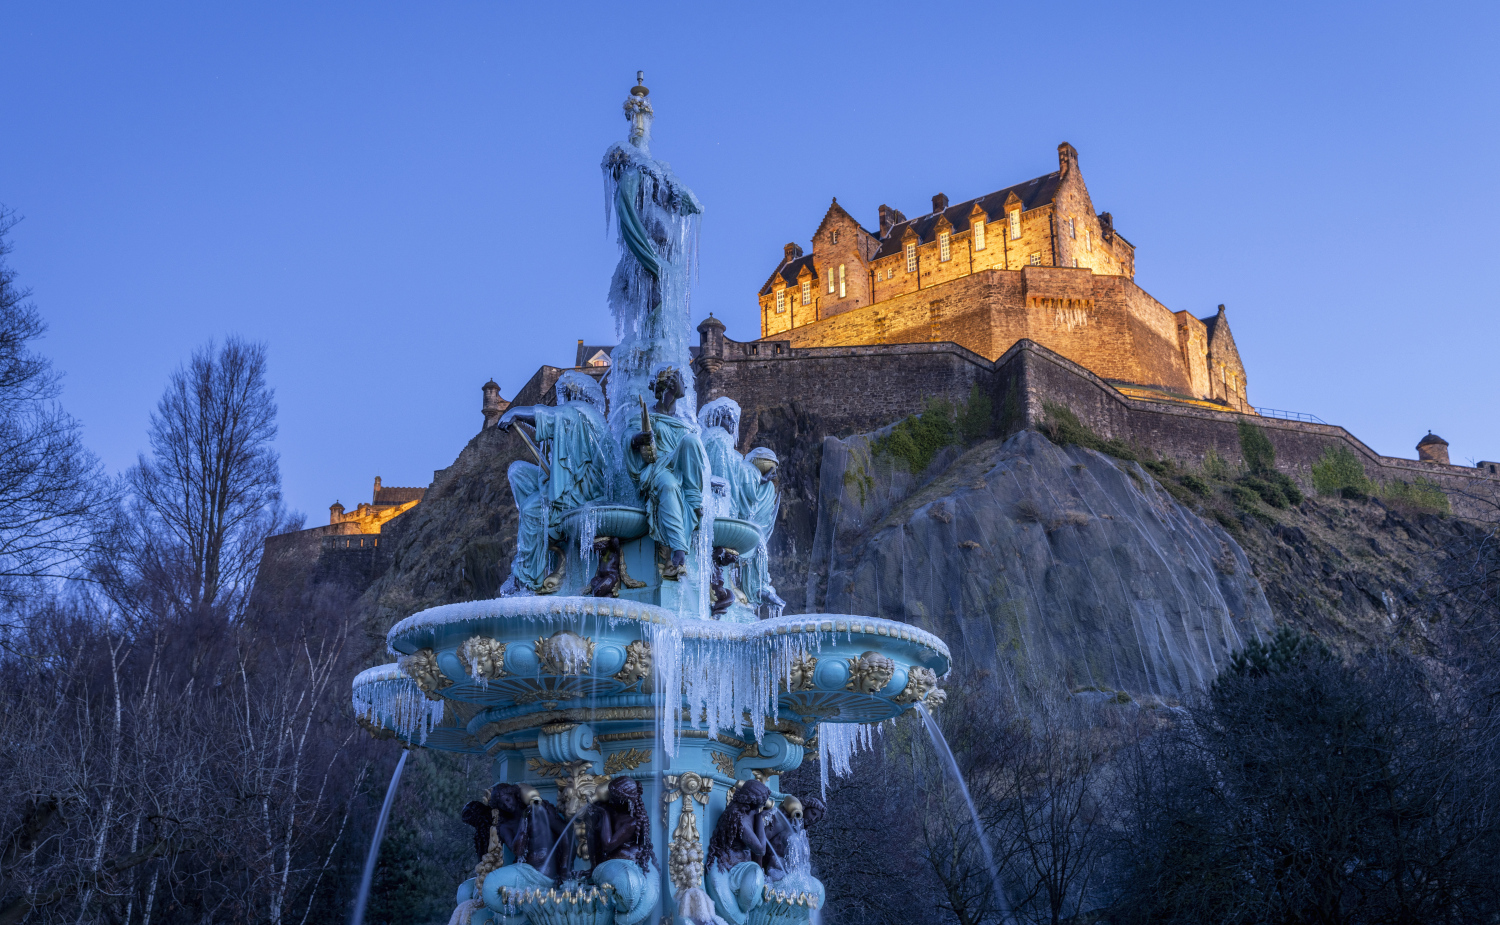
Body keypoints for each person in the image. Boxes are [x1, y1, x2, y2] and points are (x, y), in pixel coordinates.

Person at [500, 372, 609, 592]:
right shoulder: (578, 413)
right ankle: (542, 536)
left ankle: (526, 578)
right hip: (570, 482)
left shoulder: (579, 412)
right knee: (518, 471)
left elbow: (547, 417)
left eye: (562, 392)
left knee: (532, 509)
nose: (560, 397)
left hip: (582, 491)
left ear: (571, 392)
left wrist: (515, 412)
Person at [625, 367, 706, 579]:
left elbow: (697, 458)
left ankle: (694, 500)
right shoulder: (646, 414)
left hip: (680, 466)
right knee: (669, 485)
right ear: (671, 384)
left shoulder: (686, 419)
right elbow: (628, 436)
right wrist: (637, 439)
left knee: (691, 440)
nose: (686, 385)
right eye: (682, 380)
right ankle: (679, 548)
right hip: (658, 468)